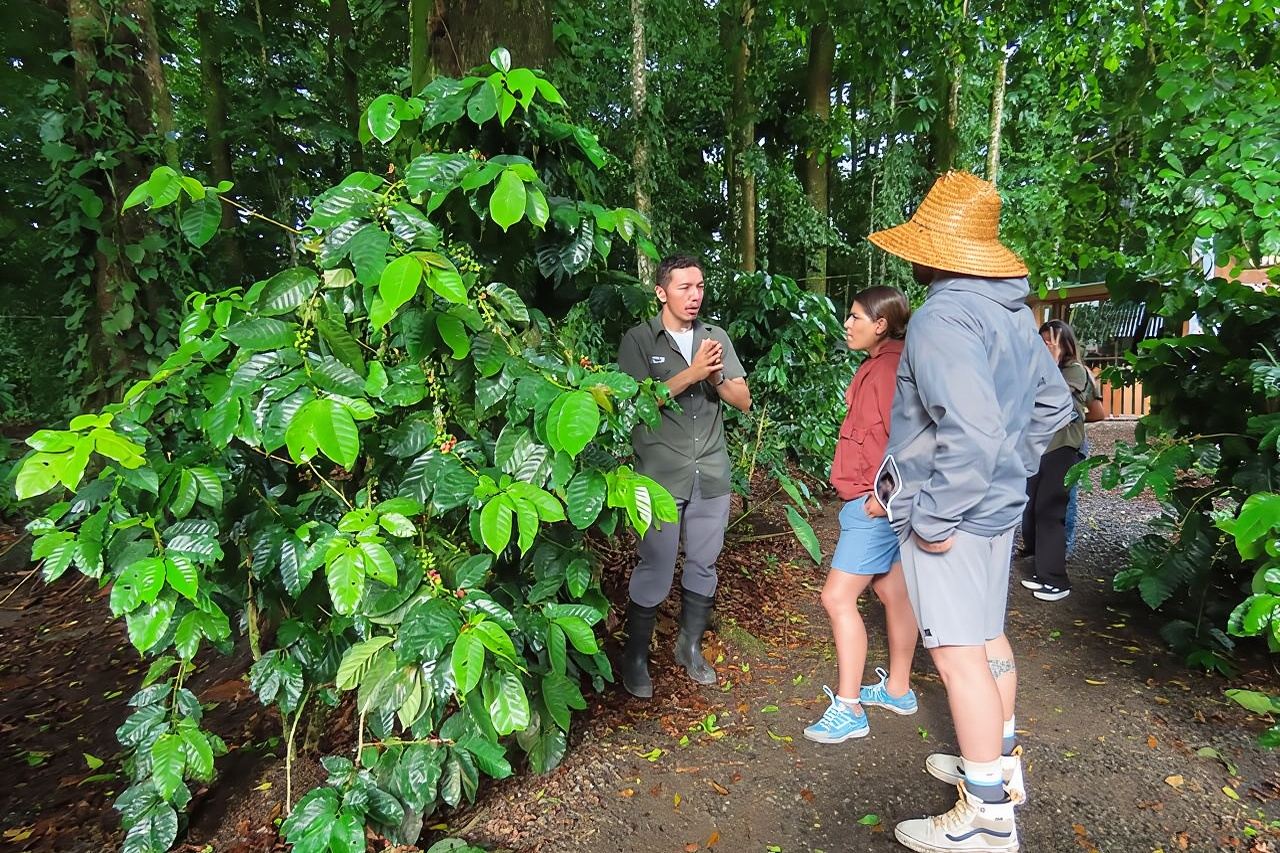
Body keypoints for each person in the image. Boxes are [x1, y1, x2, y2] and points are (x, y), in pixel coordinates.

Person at [864, 171, 1074, 852]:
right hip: (996, 508)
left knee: (958, 659)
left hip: (950, 517)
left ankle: (985, 815)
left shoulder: (943, 317)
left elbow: (974, 429)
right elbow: (1054, 405)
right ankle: (998, 766)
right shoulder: (1011, 313)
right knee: (986, 639)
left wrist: (934, 517)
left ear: (937, 252)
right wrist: (1010, 469)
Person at [615, 254, 752, 698]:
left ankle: (688, 647)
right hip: (658, 476)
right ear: (661, 292)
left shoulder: (715, 338)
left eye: (700, 287)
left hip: (710, 472)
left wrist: (713, 378)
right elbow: (634, 403)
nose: (695, 296)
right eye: (684, 287)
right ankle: (636, 656)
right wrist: (692, 373)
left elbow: (743, 399)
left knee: (703, 563)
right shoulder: (639, 340)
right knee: (655, 565)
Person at [803, 287, 920, 744]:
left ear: (881, 324)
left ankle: (849, 707)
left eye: (855, 317)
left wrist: (885, 498)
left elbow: (909, 441)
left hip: (873, 506)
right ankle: (898, 689)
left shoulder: (888, 370)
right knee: (893, 591)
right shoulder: (884, 364)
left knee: (836, 598)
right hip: (877, 503)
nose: (847, 324)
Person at [1019, 319, 1104, 602]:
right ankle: (1042, 572)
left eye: (1052, 342)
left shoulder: (1074, 371)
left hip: (1063, 448)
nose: (1046, 346)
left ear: (1065, 344)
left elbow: (1056, 400)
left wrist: (1053, 361)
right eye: (1042, 341)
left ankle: (1056, 580)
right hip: (1039, 448)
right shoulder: (1036, 370)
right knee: (1034, 508)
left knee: (1051, 510)